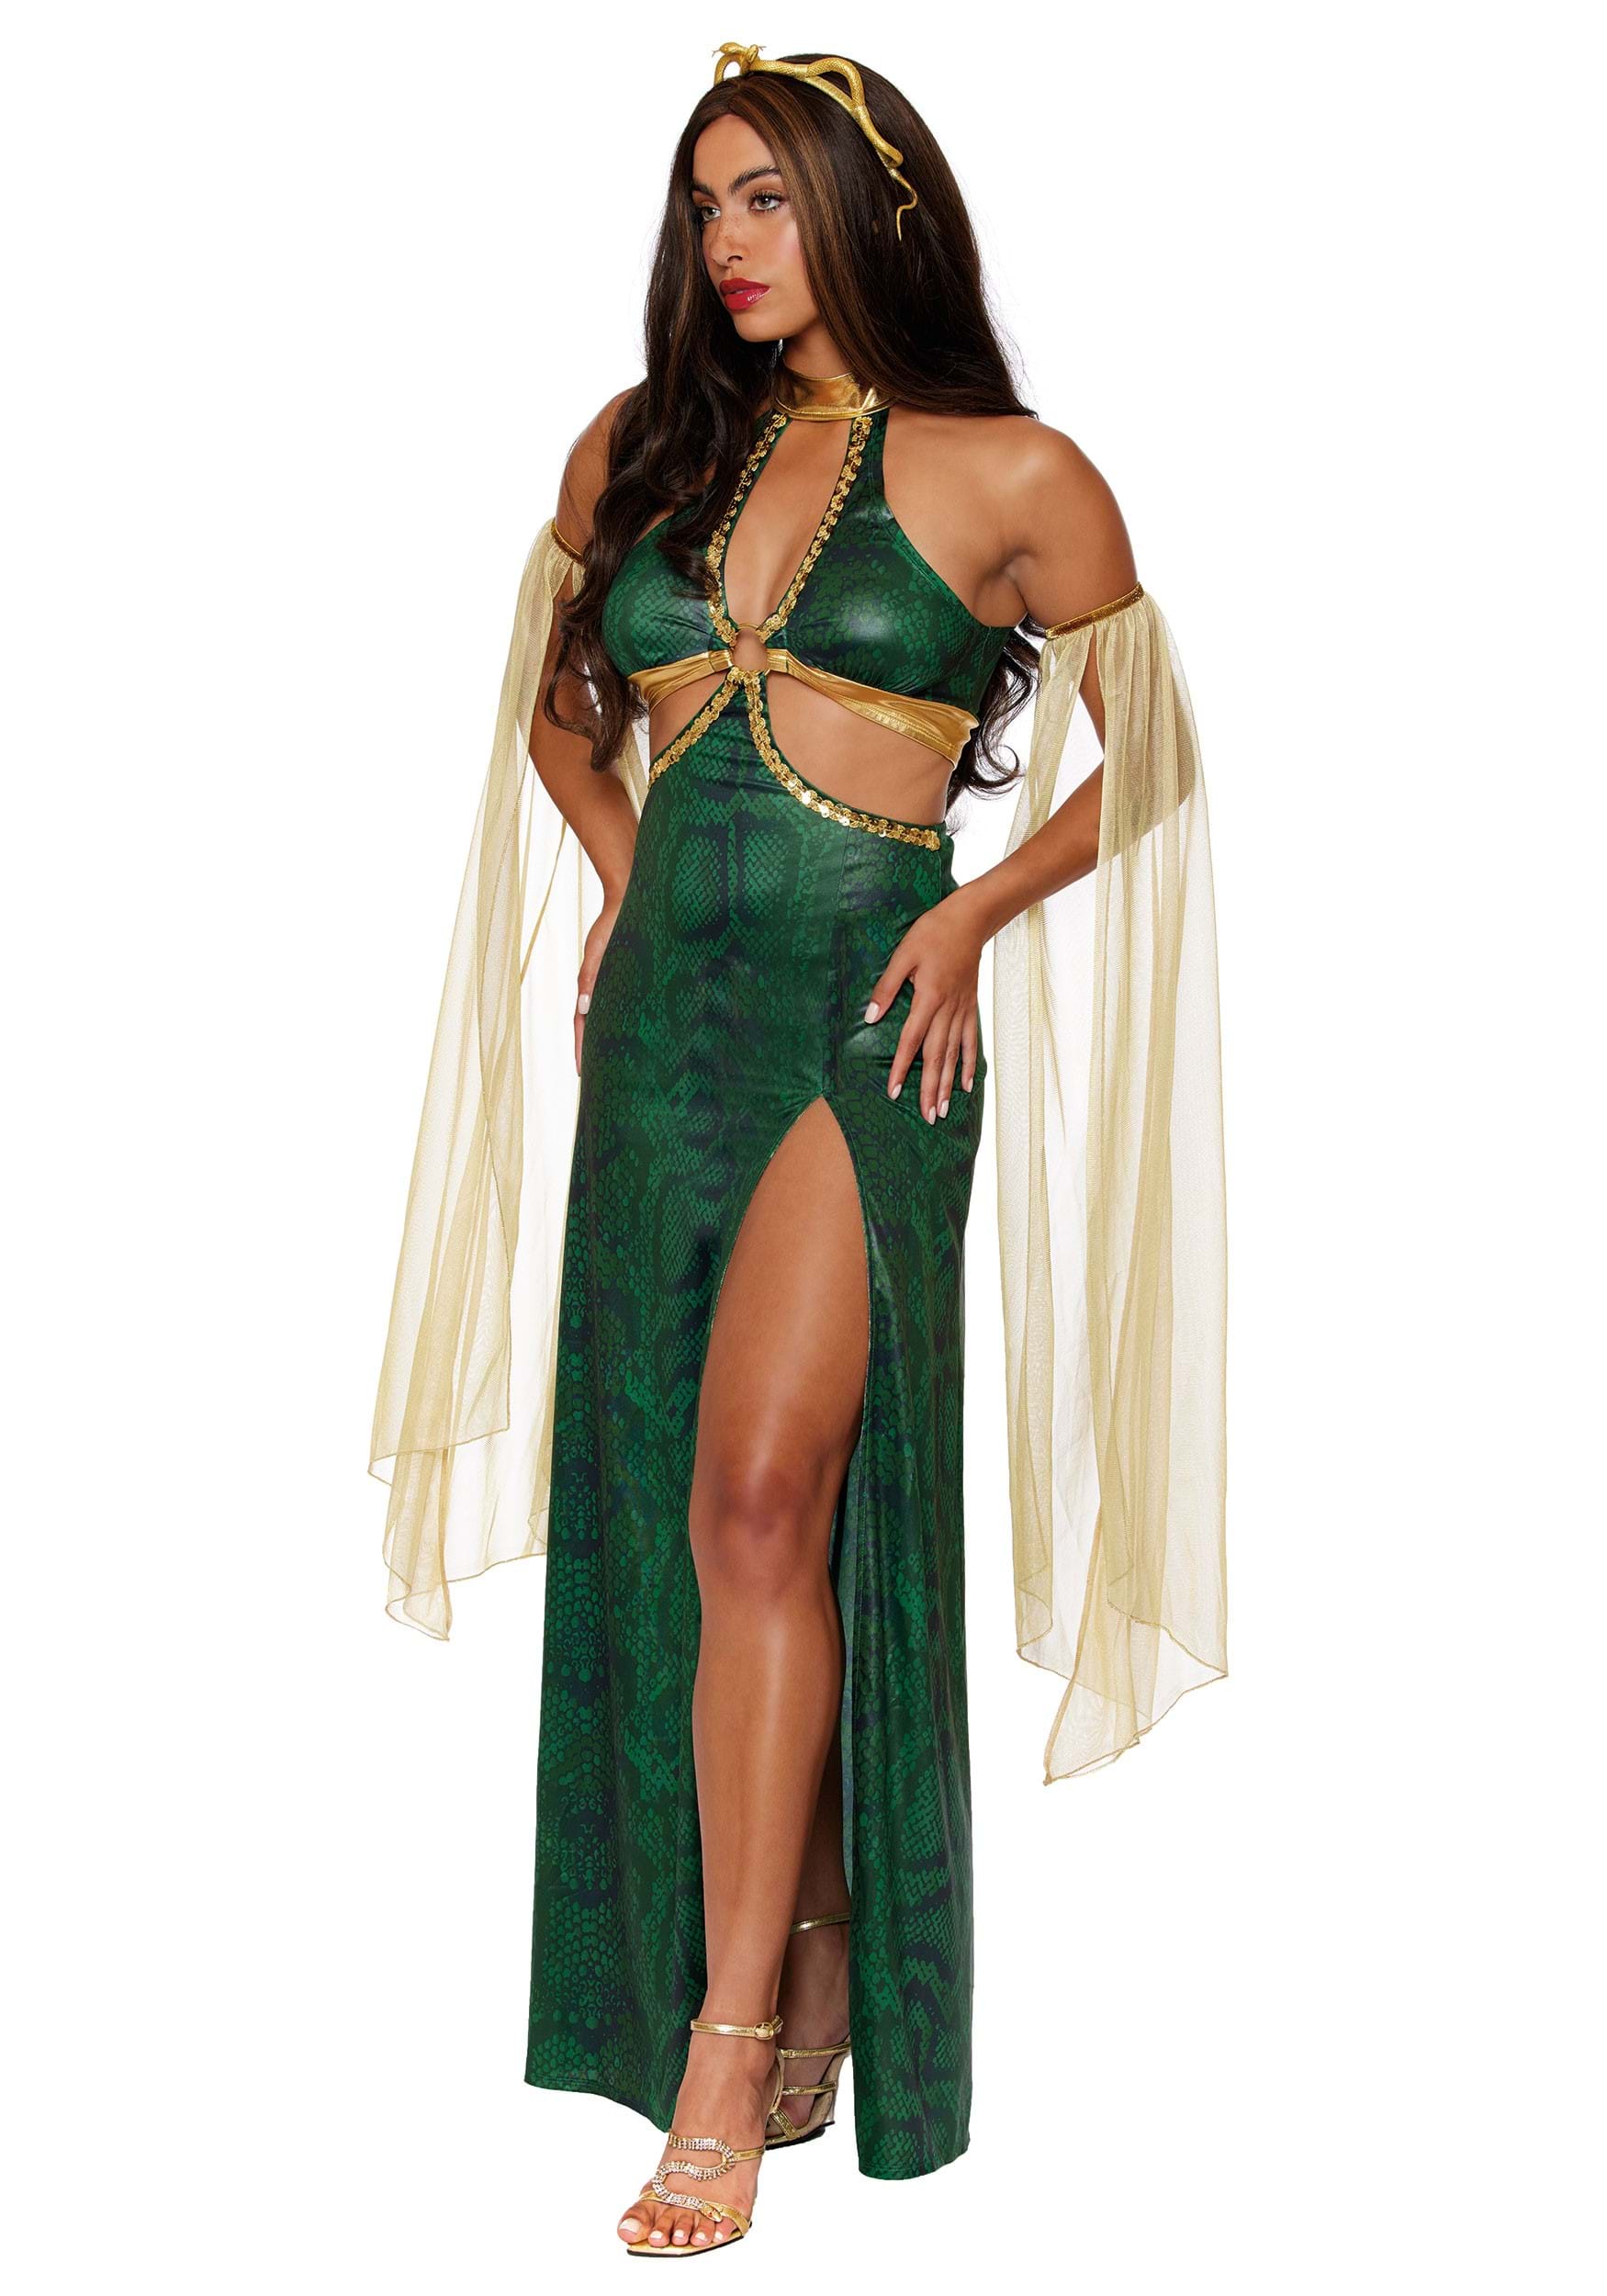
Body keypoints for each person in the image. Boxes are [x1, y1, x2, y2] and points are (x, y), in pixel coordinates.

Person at [369, 41, 1227, 2258]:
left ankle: (727, 2041)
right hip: (665, 1027)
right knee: (685, 1524)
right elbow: (558, 707)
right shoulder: (640, 450)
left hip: (867, 1023)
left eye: (764, 198)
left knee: (762, 1495)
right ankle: (806, 1936)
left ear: (874, 209)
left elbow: (1149, 762)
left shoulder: (1013, 472)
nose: (727, 244)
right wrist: (617, 870)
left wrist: (968, 911)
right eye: (704, 206)